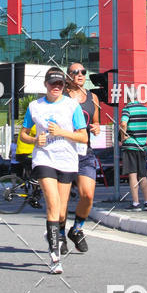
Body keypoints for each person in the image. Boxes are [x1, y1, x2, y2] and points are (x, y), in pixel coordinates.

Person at [19, 67, 87, 273]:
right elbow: (22, 134)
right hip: (44, 159)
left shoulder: (72, 105)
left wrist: (62, 132)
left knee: (61, 209)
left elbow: (83, 136)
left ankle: (53, 232)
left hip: (67, 160)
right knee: (53, 203)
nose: (56, 87)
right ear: (45, 85)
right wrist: (34, 140)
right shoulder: (34, 106)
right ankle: (55, 257)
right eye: (52, 83)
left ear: (64, 86)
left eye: (60, 84)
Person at [61, 63, 101, 253]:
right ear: (68, 76)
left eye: (83, 72)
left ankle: (76, 230)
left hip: (85, 153)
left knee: (88, 195)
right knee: (62, 200)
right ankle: (59, 235)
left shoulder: (92, 97)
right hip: (63, 153)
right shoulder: (61, 96)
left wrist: (97, 128)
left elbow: (95, 122)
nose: (80, 75)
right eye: (75, 72)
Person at [119, 99, 147, 210]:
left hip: (130, 146)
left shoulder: (127, 109)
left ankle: (136, 203)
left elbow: (123, 123)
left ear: (128, 99)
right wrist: (143, 129)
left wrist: (123, 137)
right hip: (142, 146)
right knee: (143, 174)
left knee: (133, 174)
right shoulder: (146, 110)